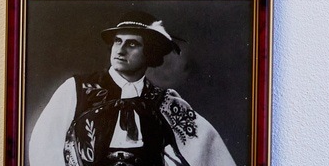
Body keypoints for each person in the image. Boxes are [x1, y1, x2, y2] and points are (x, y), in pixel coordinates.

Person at [27, 12, 238, 166]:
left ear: (150, 53)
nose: (120, 50)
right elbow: (43, 147)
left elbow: (211, 151)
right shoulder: (77, 89)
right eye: (117, 41)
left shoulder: (164, 101)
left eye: (132, 44)